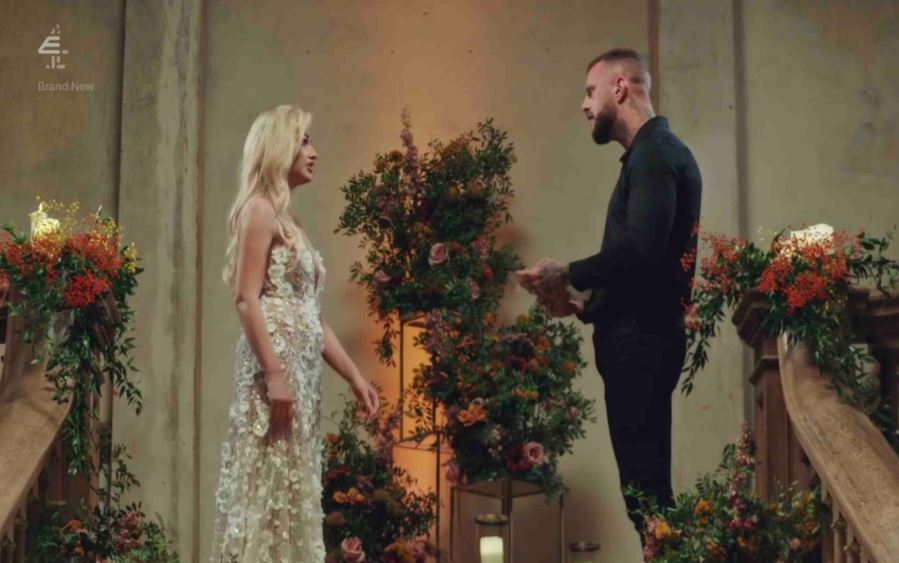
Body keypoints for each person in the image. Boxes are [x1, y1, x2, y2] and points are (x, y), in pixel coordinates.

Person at [517, 48, 702, 539]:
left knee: (646, 494)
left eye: (589, 91)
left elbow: (642, 252)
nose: (584, 105)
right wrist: (585, 306)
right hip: (639, 336)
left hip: (641, 344)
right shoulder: (650, 155)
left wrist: (567, 272)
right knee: (645, 494)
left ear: (619, 88)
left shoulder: (656, 154)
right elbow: (648, 271)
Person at [210, 104, 379, 561]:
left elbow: (311, 317)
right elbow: (246, 298)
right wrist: (274, 374)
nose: (314, 151)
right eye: (304, 140)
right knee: (266, 490)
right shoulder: (259, 211)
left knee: (288, 493)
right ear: (278, 147)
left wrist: (356, 378)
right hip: (275, 379)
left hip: (299, 380)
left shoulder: (290, 222)